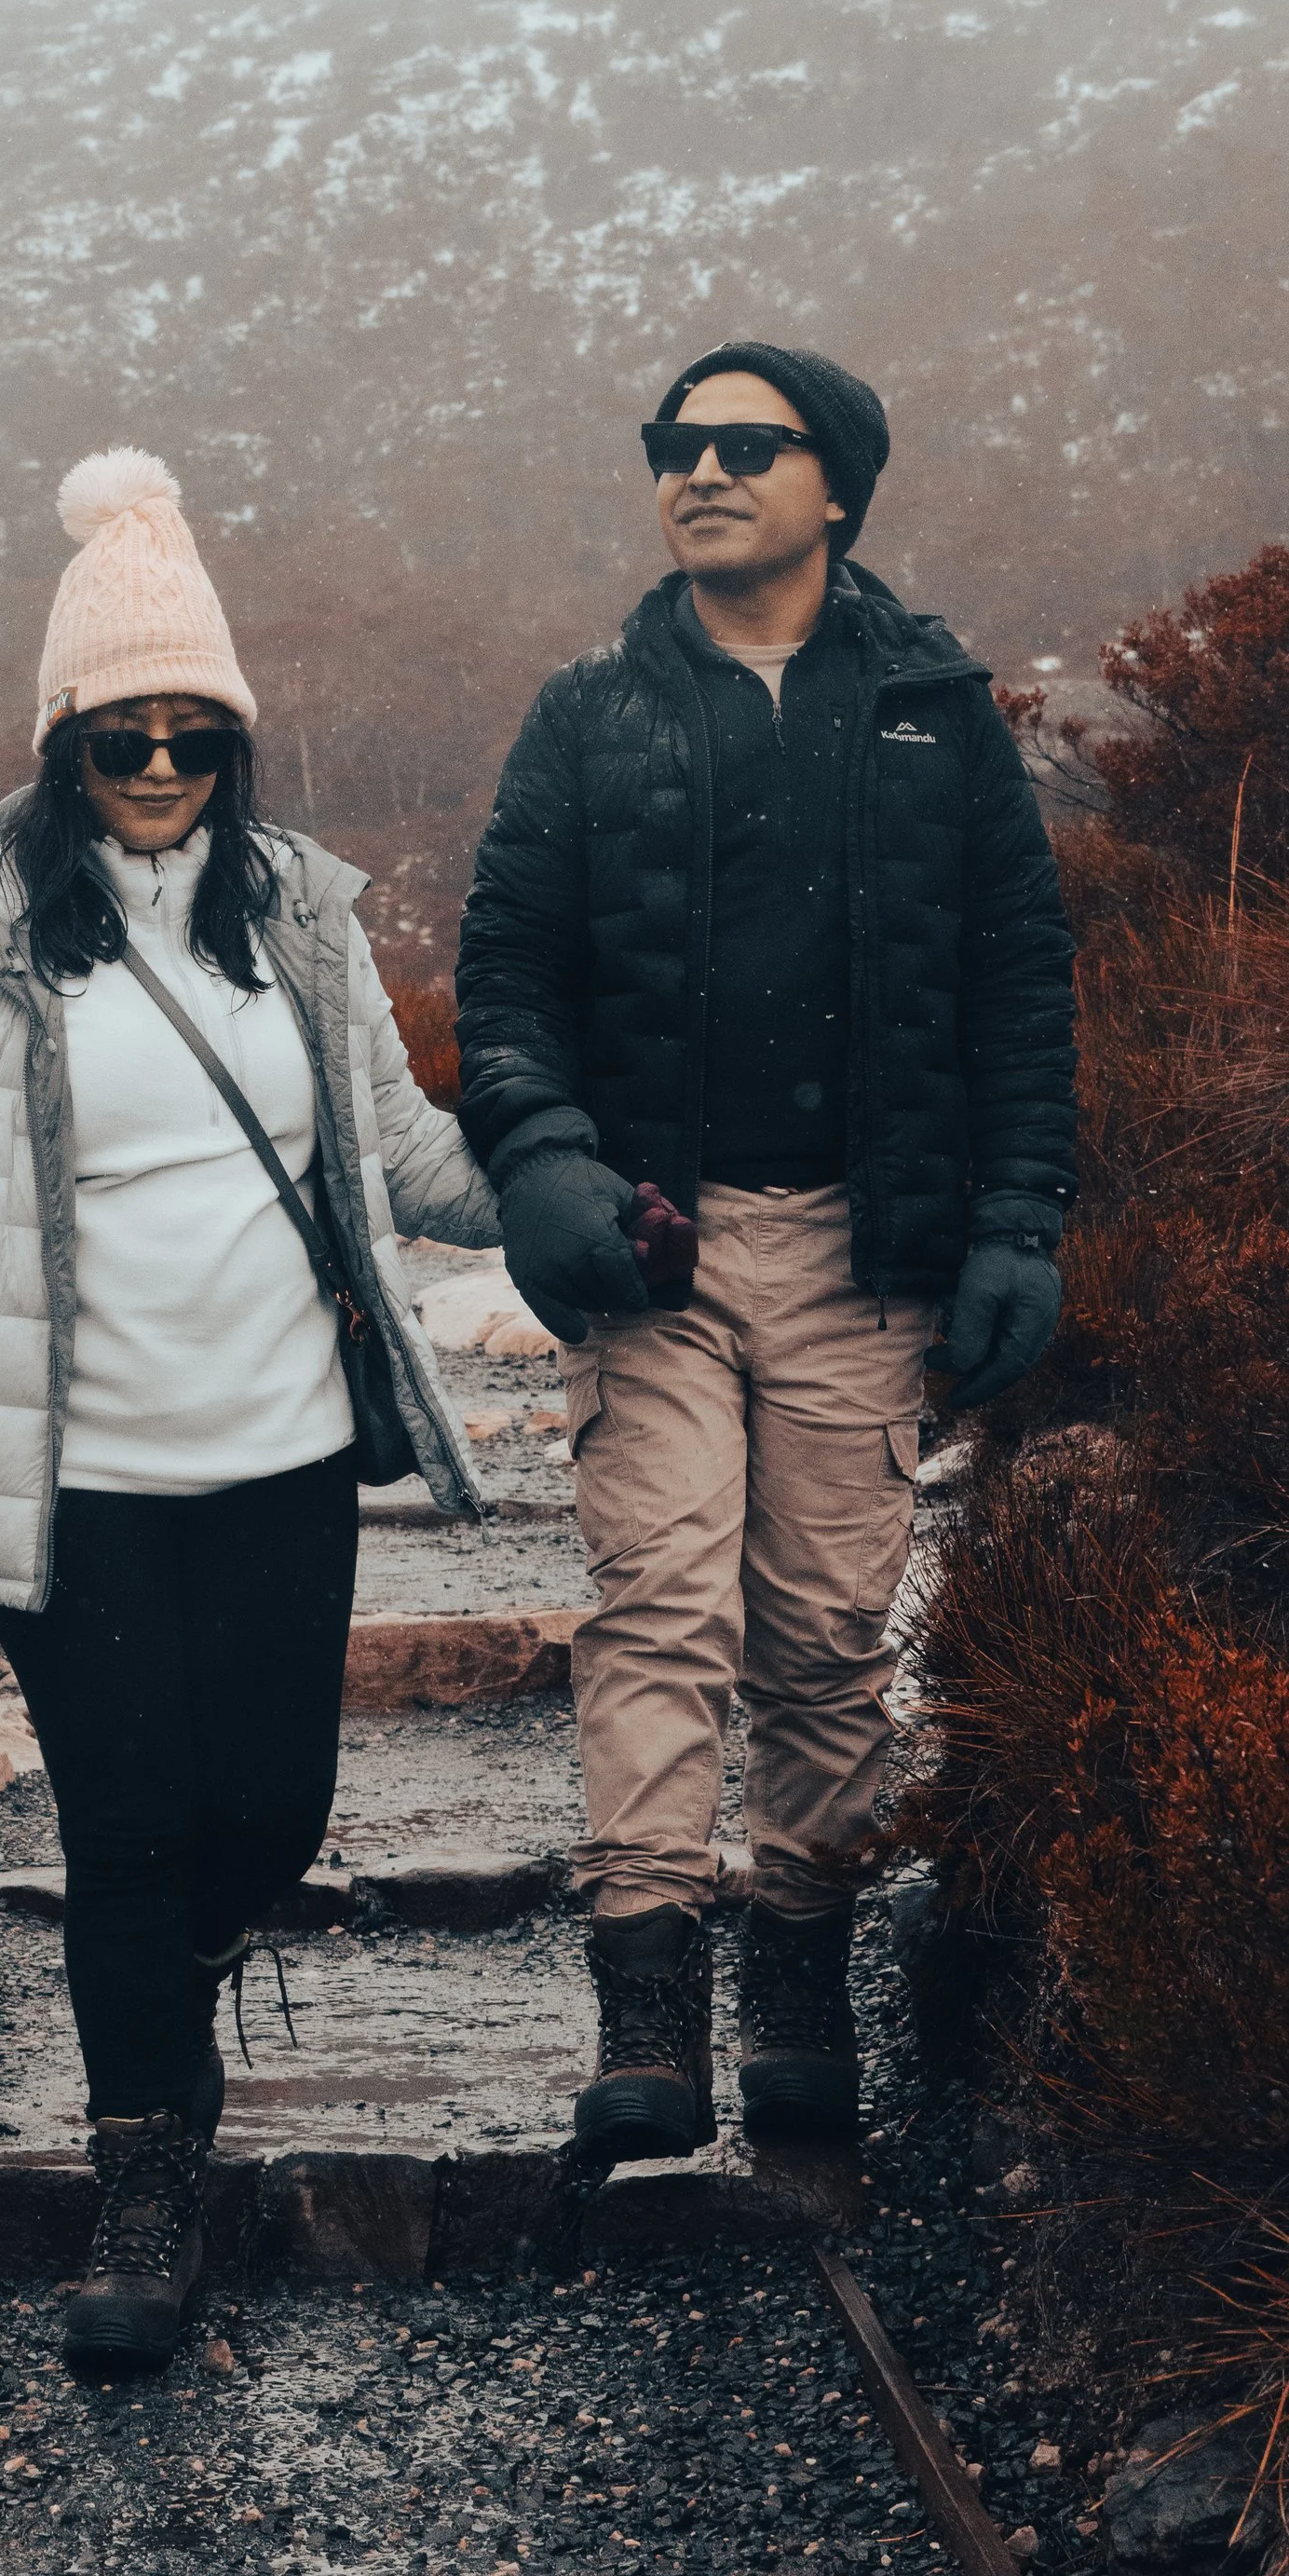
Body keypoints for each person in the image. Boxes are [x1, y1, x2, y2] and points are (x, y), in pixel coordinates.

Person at [0, 447, 497, 2365]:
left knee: (268, 1816)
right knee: (125, 1826)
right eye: (118, 727)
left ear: (234, 736)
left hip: (280, 1454)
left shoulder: (295, 917)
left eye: (192, 725)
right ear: (62, 740)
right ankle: (146, 2177)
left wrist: (572, 1204)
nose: (158, 757)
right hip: (71, 1478)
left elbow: (394, 1156)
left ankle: (179, 1992)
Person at [455, 341, 1076, 2159]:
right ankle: (646, 2014)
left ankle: (795, 1978)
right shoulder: (586, 714)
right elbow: (507, 973)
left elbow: (1015, 984)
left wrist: (1014, 1220)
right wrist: (543, 1154)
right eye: (675, 444)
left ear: (835, 487)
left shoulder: (933, 710)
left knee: (818, 1638)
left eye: (746, 444)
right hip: (652, 1252)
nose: (700, 470)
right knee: (653, 1609)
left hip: (862, 1254)